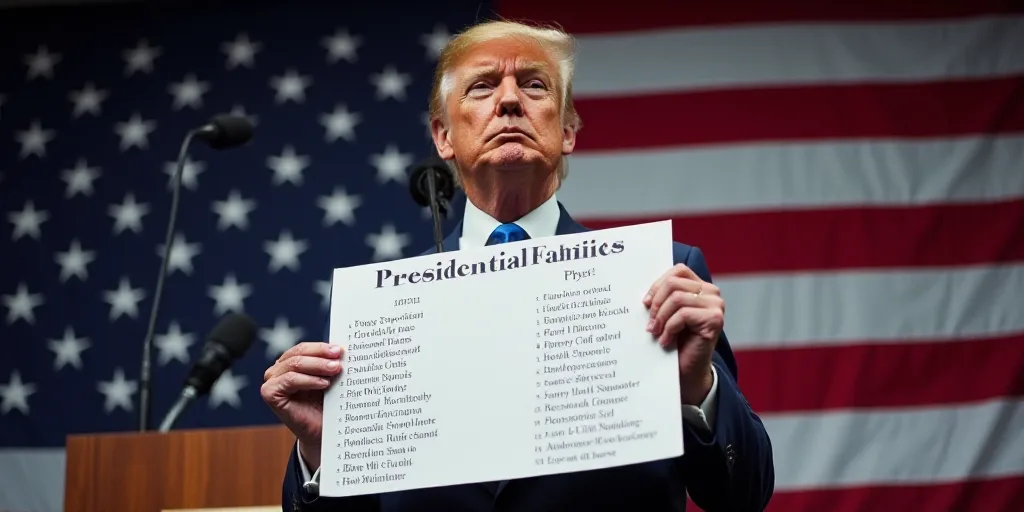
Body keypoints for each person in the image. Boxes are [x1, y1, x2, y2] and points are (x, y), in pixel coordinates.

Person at [261, 19, 775, 512]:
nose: (509, 100)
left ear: (568, 130)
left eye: (533, 85)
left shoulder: (661, 274)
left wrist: (696, 389)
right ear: (443, 137)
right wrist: (322, 452)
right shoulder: (381, 310)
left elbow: (743, 493)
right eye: (483, 87)